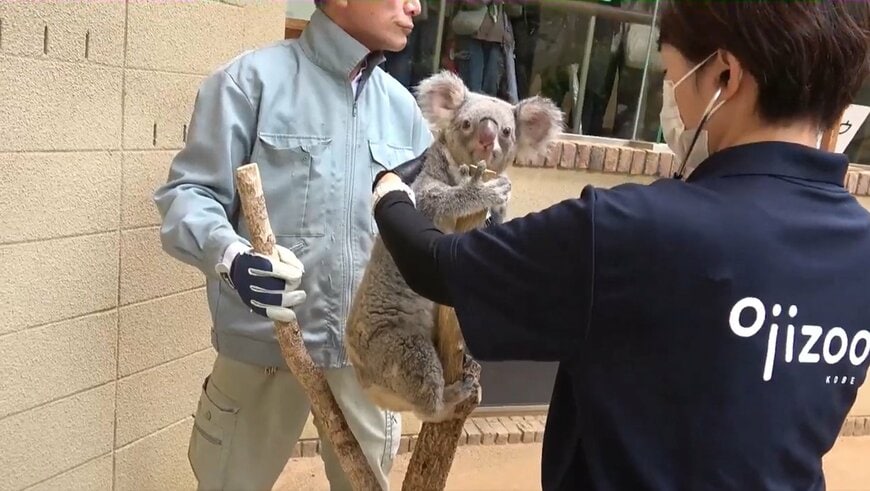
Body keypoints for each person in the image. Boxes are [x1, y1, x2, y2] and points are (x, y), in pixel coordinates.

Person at [369, 1, 870, 489]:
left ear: (723, 75)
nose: (665, 98)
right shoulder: (860, 248)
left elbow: (436, 265)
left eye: (670, 75)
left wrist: (391, 194)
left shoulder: (629, 230)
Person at [152, 0, 433, 489]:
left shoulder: (402, 110)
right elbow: (188, 194)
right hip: (263, 349)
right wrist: (232, 257)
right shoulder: (249, 83)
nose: (416, 7)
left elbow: (421, 223)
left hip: (366, 356)